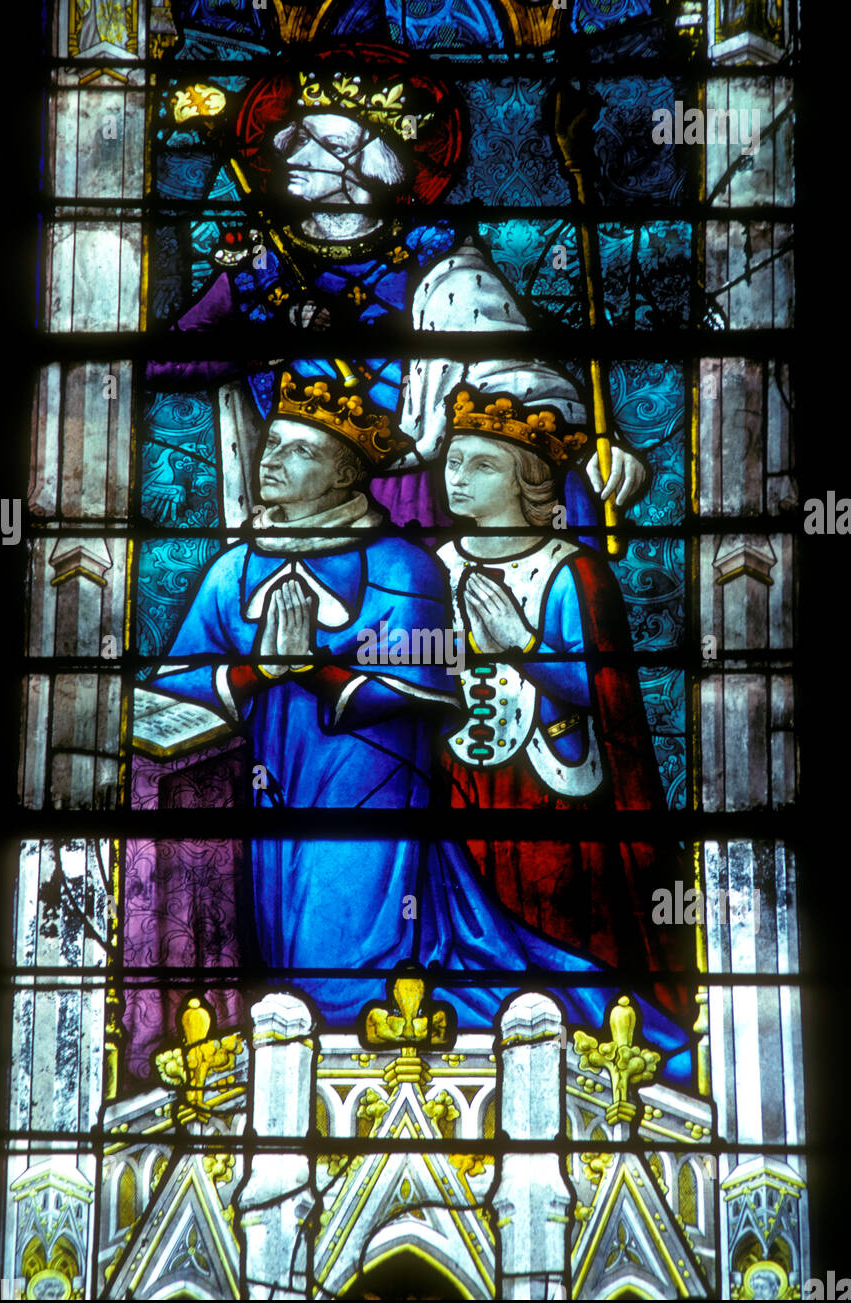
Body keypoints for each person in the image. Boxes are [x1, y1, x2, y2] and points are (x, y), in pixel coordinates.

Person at [145, 367, 691, 1073]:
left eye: (298, 450)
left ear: (347, 476)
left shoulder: (403, 566)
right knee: (277, 946)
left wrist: (307, 665)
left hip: (381, 787)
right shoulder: (233, 569)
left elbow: (420, 685)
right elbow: (173, 683)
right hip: (271, 791)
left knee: (346, 962)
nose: (270, 460)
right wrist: (257, 671)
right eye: (270, 443)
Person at [148, 46, 647, 528]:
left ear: (369, 163)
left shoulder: (440, 262)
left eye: (322, 144)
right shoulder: (261, 266)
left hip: (419, 494)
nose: (293, 154)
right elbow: (155, 361)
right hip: (301, 501)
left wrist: (594, 446)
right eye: (295, 138)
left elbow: (511, 376)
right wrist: (269, 341)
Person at [435, 377, 692, 1039]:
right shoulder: (430, 565)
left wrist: (519, 644)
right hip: (455, 783)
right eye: (453, 461)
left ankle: (581, 1036)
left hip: (555, 794)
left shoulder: (573, 570)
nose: (457, 478)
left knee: (559, 925)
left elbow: (604, 690)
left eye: (481, 465)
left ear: (532, 482)